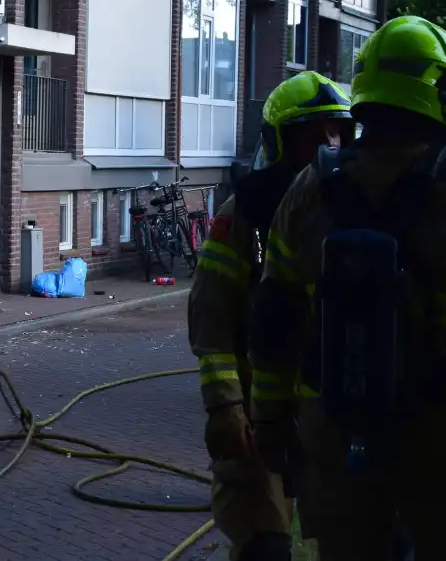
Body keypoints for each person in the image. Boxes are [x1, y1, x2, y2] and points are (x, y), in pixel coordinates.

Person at [249, 15, 446, 560]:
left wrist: (269, 420)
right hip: (443, 435)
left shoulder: (313, 184)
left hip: (336, 431)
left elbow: (274, 313)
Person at [188, 71, 353, 561]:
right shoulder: (244, 214)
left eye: (340, 130)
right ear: (281, 141)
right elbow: (212, 313)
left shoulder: (360, 206)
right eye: (316, 132)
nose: (331, 143)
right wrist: (224, 405)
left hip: (332, 411)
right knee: (266, 545)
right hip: (257, 411)